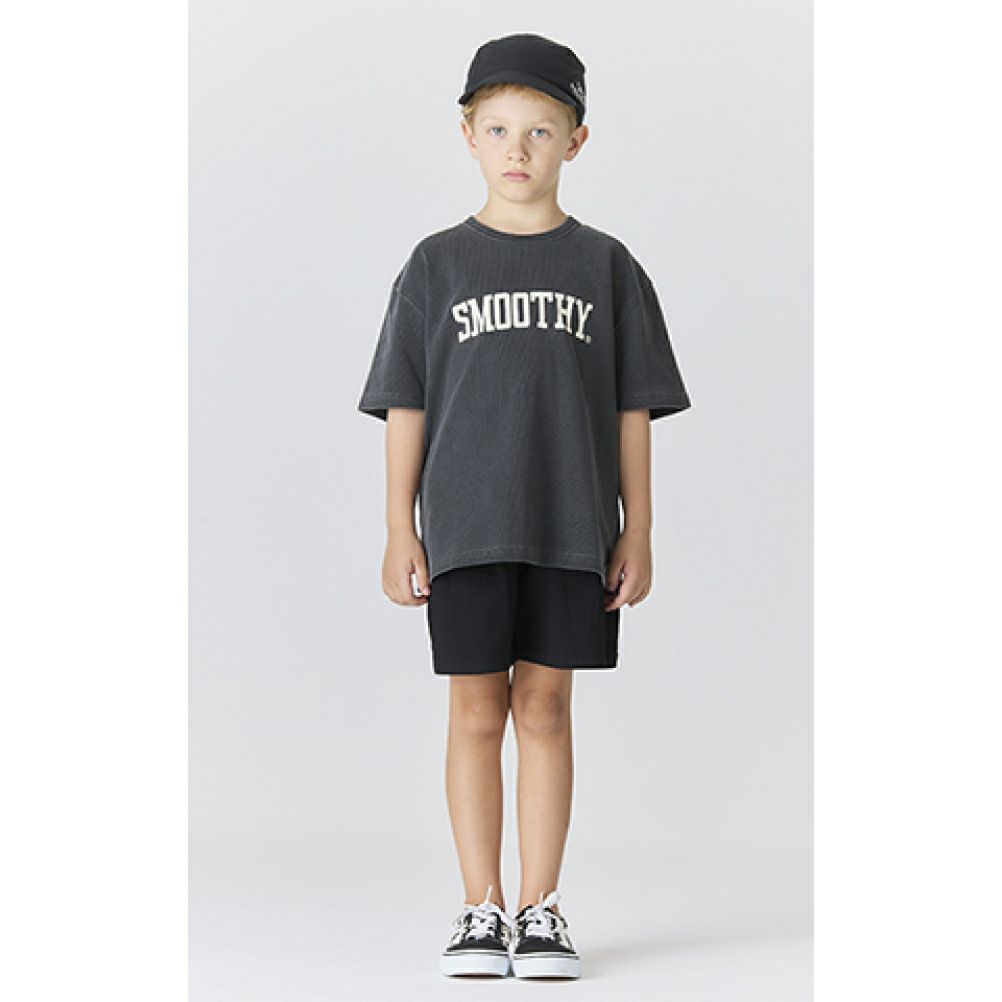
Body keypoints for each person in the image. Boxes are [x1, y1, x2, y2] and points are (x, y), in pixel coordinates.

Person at [357, 32, 692, 980]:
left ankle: (541, 908)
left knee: (545, 708)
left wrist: (638, 526)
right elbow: (407, 404)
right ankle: (481, 906)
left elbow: (632, 410)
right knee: (474, 711)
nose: (519, 149)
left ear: (575, 142)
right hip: (465, 529)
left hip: (570, 528)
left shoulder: (607, 266)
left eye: (541, 130)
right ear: (468, 136)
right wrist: (398, 526)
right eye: (499, 129)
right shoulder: (435, 266)